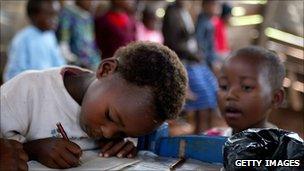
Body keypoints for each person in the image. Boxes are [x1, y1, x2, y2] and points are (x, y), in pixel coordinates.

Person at [0, 42, 188, 169]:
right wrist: (32, 150)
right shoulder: (27, 91)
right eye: (110, 116)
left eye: (122, 133)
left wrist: (125, 144)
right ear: (106, 70)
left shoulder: (122, 110)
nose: (107, 133)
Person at [163, 0, 219, 134]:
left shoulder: (185, 12)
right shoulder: (172, 11)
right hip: (183, 62)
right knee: (203, 100)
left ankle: (205, 135)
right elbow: (174, 43)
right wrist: (195, 56)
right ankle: (199, 137)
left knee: (212, 96)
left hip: (193, 61)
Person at [205, 46, 285, 136]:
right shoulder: (209, 141)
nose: (230, 95)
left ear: (276, 98)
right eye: (224, 87)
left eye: (246, 87)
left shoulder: (285, 148)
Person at [4, 0, 66, 81]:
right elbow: (13, 75)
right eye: (50, 14)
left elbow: (59, 65)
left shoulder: (50, 37)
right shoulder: (23, 39)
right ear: (34, 16)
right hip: (30, 89)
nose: (55, 19)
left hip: (49, 87)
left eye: (56, 15)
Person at [56, 0, 100, 70]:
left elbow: (91, 44)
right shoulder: (67, 14)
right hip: (76, 66)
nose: (93, 3)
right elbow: (63, 45)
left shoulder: (88, 16)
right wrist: (76, 62)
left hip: (92, 64)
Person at [195, 0, 219, 70]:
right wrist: (212, 61)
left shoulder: (208, 21)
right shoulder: (202, 22)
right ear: (205, 6)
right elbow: (199, 42)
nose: (216, 8)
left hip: (208, 59)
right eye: (214, 5)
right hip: (206, 61)